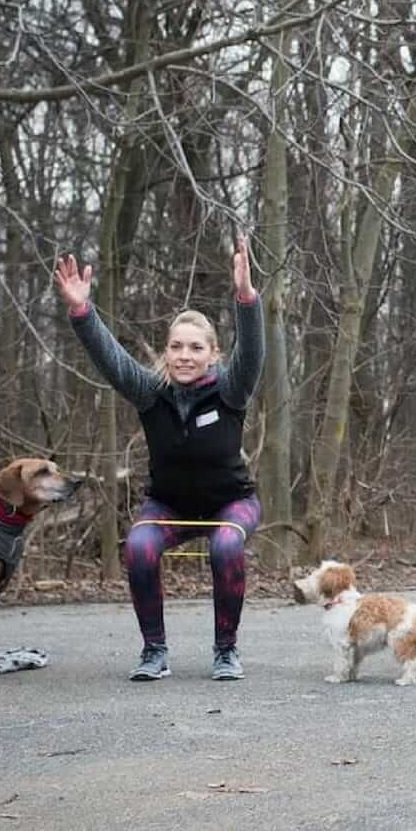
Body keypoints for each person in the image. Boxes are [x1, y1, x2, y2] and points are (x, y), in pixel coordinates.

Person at [54, 236, 264, 682]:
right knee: (139, 546)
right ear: (166, 352)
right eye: (176, 347)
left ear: (213, 354)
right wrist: (81, 312)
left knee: (227, 544)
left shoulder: (230, 390)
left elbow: (253, 357)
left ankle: (226, 651)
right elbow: (111, 360)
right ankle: (154, 651)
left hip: (231, 503)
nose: (184, 356)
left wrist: (246, 300)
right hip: (168, 505)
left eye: (195, 348)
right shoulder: (151, 394)